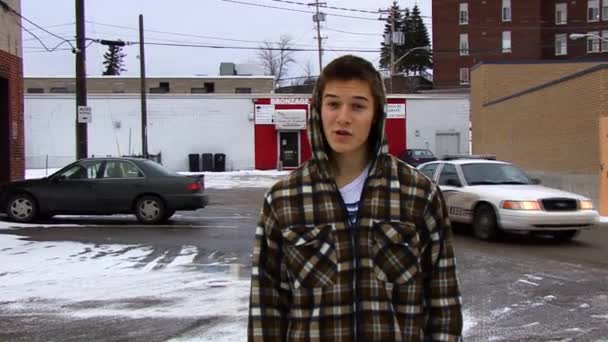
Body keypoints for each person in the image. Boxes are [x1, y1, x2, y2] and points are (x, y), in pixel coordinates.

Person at [248, 55, 462, 341]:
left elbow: (443, 305)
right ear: (318, 110)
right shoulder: (284, 199)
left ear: (377, 115)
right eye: (333, 104)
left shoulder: (418, 194)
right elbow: (267, 306)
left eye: (358, 106)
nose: (343, 117)